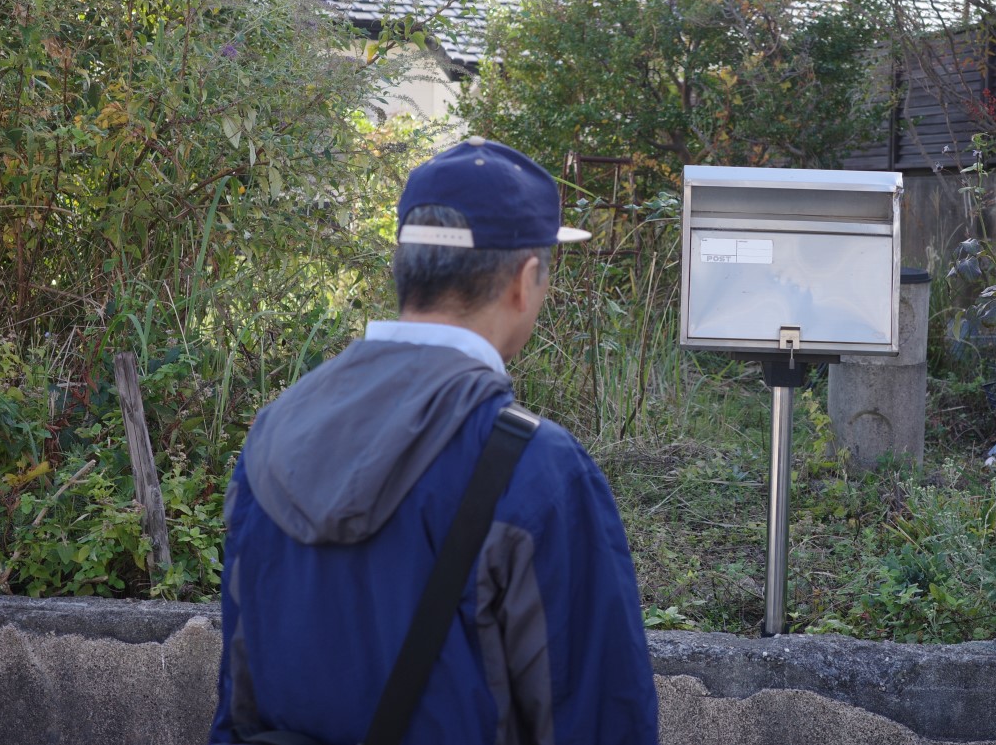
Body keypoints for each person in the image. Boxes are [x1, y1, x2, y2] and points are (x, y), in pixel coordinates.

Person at [209, 137, 659, 745]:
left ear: (404, 269)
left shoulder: (275, 434)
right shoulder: (537, 469)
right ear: (526, 282)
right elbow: (601, 719)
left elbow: (238, 703)